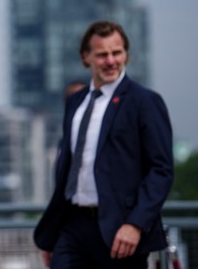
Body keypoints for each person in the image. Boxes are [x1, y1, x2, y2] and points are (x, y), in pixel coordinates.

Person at [34, 20, 174, 269]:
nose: (111, 61)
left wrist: (136, 224)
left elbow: (160, 170)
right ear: (85, 57)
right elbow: (67, 168)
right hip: (73, 226)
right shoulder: (75, 102)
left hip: (122, 231)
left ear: (126, 55)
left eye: (117, 52)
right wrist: (53, 234)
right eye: (102, 55)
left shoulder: (145, 102)